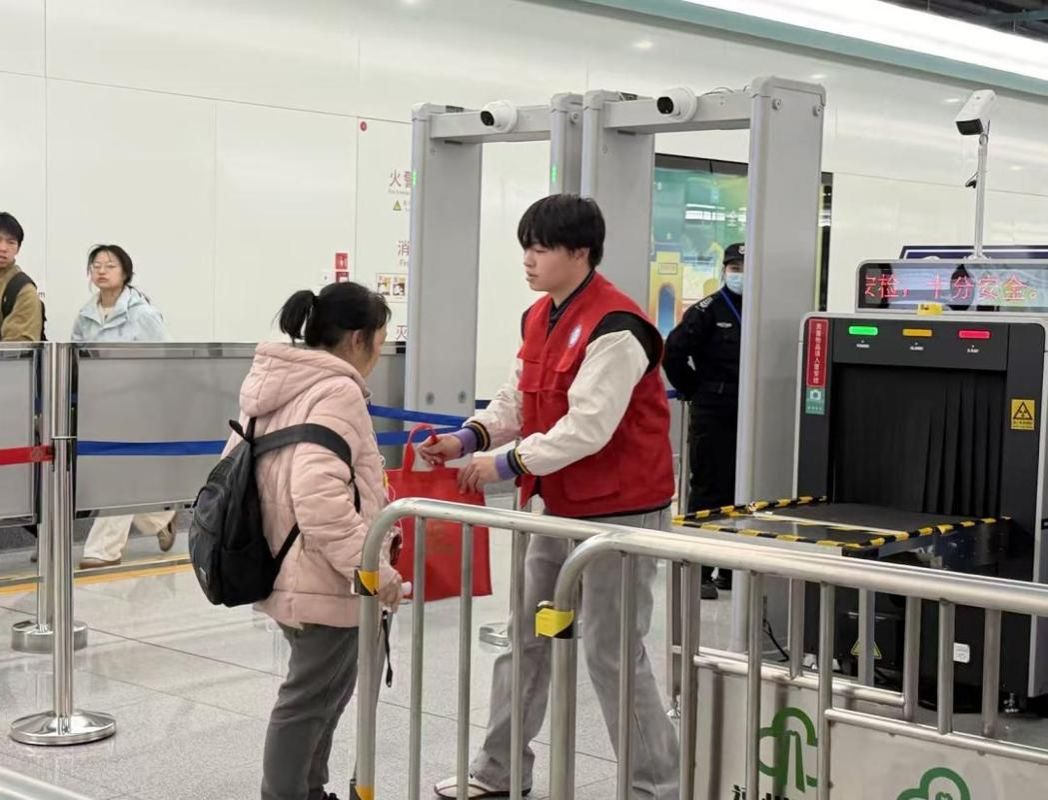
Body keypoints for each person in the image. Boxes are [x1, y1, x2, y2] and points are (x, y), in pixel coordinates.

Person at [425, 194, 679, 800]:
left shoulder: (618, 328)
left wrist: (504, 463)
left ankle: (657, 786)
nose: (529, 260)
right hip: (557, 507)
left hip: (622, 512)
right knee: (526, 640)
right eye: (526, 248)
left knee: (612, 652)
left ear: (581, 252)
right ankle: (499, 769)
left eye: (541, 249)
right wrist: (469, 437)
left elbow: (588, 427)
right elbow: (519, 397)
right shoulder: (540, 316)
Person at [232, 282, 402, 800]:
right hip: (324, 574)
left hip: (282, 562)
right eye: (379, 341)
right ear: (358, 339)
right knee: (308, 702)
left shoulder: (277, 382)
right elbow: (318, 497)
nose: (378, 354)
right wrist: (374, 571)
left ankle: (309, 790)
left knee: (320, 695)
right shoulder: (336, 391)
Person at [75, 245, 175, 568]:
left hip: (137, 406)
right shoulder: (86, 316)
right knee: (115, 473)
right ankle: (159, 519)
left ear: (125, 272)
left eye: (110, 265)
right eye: (96, 265)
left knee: (117, 473)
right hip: (100, 406)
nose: (102, 271)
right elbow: (76, 359)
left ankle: (103, 550)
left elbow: (164, 359)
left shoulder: (142, 314)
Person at [663, 242, 745, 600]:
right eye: (735, 267)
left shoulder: (763, 308)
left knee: (744, 490)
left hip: (752, 412)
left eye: (746, 267)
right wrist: (694, 389)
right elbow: (673, 353)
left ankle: (729, 568)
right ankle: (698, 571)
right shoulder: (707, 310)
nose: (740, 274)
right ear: (724, 270)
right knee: (710, 488)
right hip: (714, 411)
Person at [0, 212, 43, 342]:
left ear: (18, 249)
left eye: (11, 242)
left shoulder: (22, 290)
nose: (3, 248)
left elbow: (17, 348)